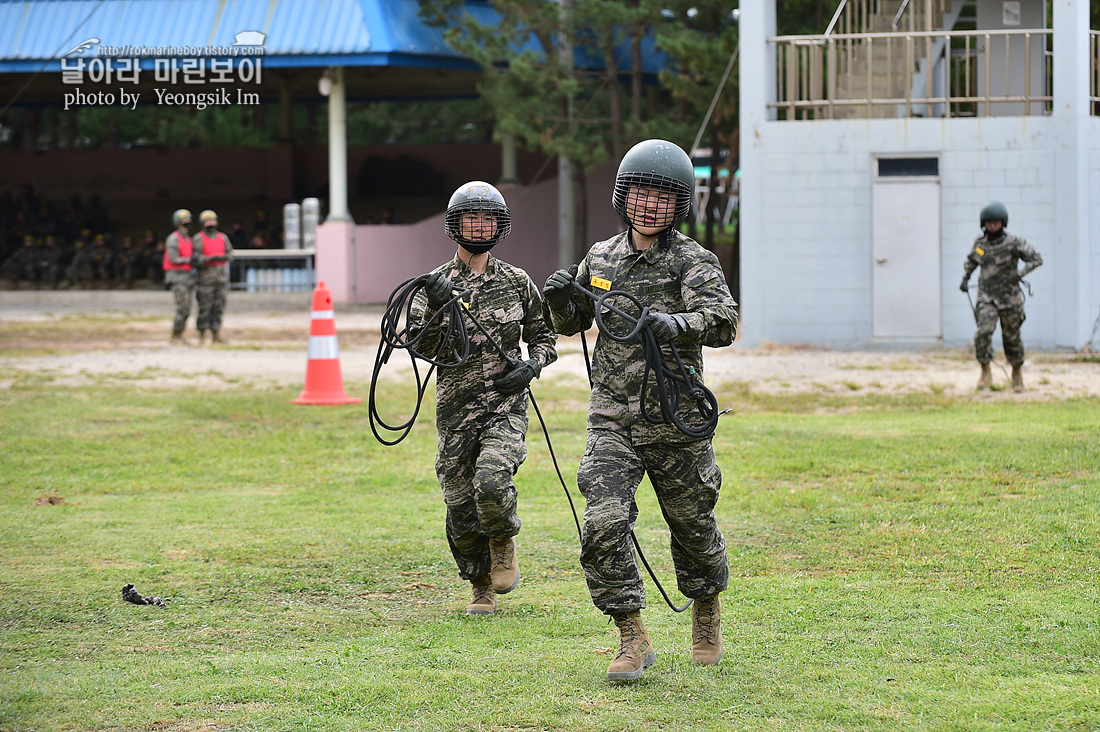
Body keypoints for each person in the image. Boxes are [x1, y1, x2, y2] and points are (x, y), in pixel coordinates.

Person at [542, 139, 737, 682]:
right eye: (641, 193)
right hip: (613, 419)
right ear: (622, 196)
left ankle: (705, 611)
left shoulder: (692, 261)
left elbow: (723, 320)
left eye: (663, 196)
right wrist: (563, 299)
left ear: (680, 205)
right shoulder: (601, 257)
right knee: (602, 520)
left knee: (693, 526)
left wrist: (679, 324)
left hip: (675, 418)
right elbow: (570, 324)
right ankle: (631, 635)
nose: (649, 205)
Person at [408, 181, 557, 617]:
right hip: (455, 411)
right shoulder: (434, 285)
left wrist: (533, 365)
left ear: (500, 224)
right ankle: (480, 585)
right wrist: (436, 309)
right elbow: (420, 346)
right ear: (455, 225)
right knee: (459, 503)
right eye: (471, 217)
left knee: (491, 481)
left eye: (488, 217)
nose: (479, 225)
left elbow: (544, 337)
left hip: (505, 406)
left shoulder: (517, 281)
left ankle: (503, 539)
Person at [960, 201, 1043, 393]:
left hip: (1009, 298)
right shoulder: (980, 244)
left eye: (996, 222)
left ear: (1003, 223)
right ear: (984, 224)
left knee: (1011, 337)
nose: (993, 226)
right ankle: (985, 370)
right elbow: (972, 261)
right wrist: (965, 279)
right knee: (983, 333)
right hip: (987, 297)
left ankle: (1016, 373)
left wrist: (1020, 274)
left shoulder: (1013, 243)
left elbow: (1036, 259)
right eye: (989, 223)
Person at [192, 210, 234, 344]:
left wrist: (224, 257)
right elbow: (196, 259)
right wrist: (209, 258)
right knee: (205, 307)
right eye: (207, 221)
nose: (211, 223)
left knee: (219, 307)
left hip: (220, 278)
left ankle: (216, 334)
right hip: (205, 279)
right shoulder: (199, 238)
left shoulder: (223, 237)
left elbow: (230, 254)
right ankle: (202, 335)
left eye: (212, 221)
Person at [163, 209, 196, 343]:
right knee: (182, 306)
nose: (187, 223)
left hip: (187, 275)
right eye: (184, 221)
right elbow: (173, 258)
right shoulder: (173, 238)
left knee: (187, 306)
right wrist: (190, 259)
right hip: (177, 276)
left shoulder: (187, 238)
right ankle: (176, 335)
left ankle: (180, 333)